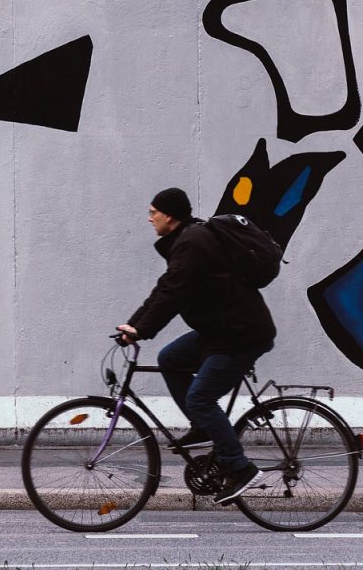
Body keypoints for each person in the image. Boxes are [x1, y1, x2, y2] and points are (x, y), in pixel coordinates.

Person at [116, 187, 276, 504]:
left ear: (170, 216)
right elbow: (164, 289)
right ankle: (203, 427)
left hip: (240, 334)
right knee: (171, 358)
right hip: (221, 331)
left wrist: (140, 330)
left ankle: (241, 469)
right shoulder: (186, 241)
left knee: (201, 398)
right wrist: (134, 324)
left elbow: (172, 295)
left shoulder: (192, 243)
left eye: (153, 212)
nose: (150, 218)